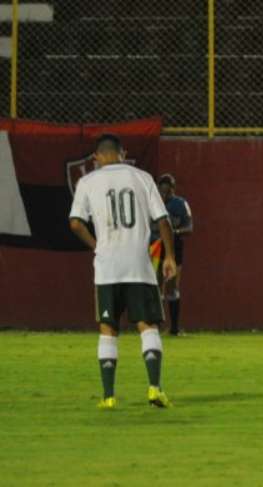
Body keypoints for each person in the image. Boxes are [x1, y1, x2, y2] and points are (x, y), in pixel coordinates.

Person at [69, 133, 177, 410]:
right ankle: (154, 389)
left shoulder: (87, 181)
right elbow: (163, 220)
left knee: (107, 329)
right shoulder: (142, 177)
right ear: (123, 152)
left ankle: (108, 396)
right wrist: (170, 257)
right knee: (147, 326)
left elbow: (75, 223)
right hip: (138, 265)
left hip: (107, 267)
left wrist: (97, 245)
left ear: (96, 157)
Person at [151, 173, 193, 336]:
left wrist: (174, 231)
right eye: (161, 191)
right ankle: (156, 327)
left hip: (174, 248)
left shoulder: (181, 204)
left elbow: (189, 227)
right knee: (156, 285)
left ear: (173, 190)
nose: (164, 195)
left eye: (167, 191)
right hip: (155, 246)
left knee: (172, 286)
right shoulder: (152, 204)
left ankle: (174, 328)